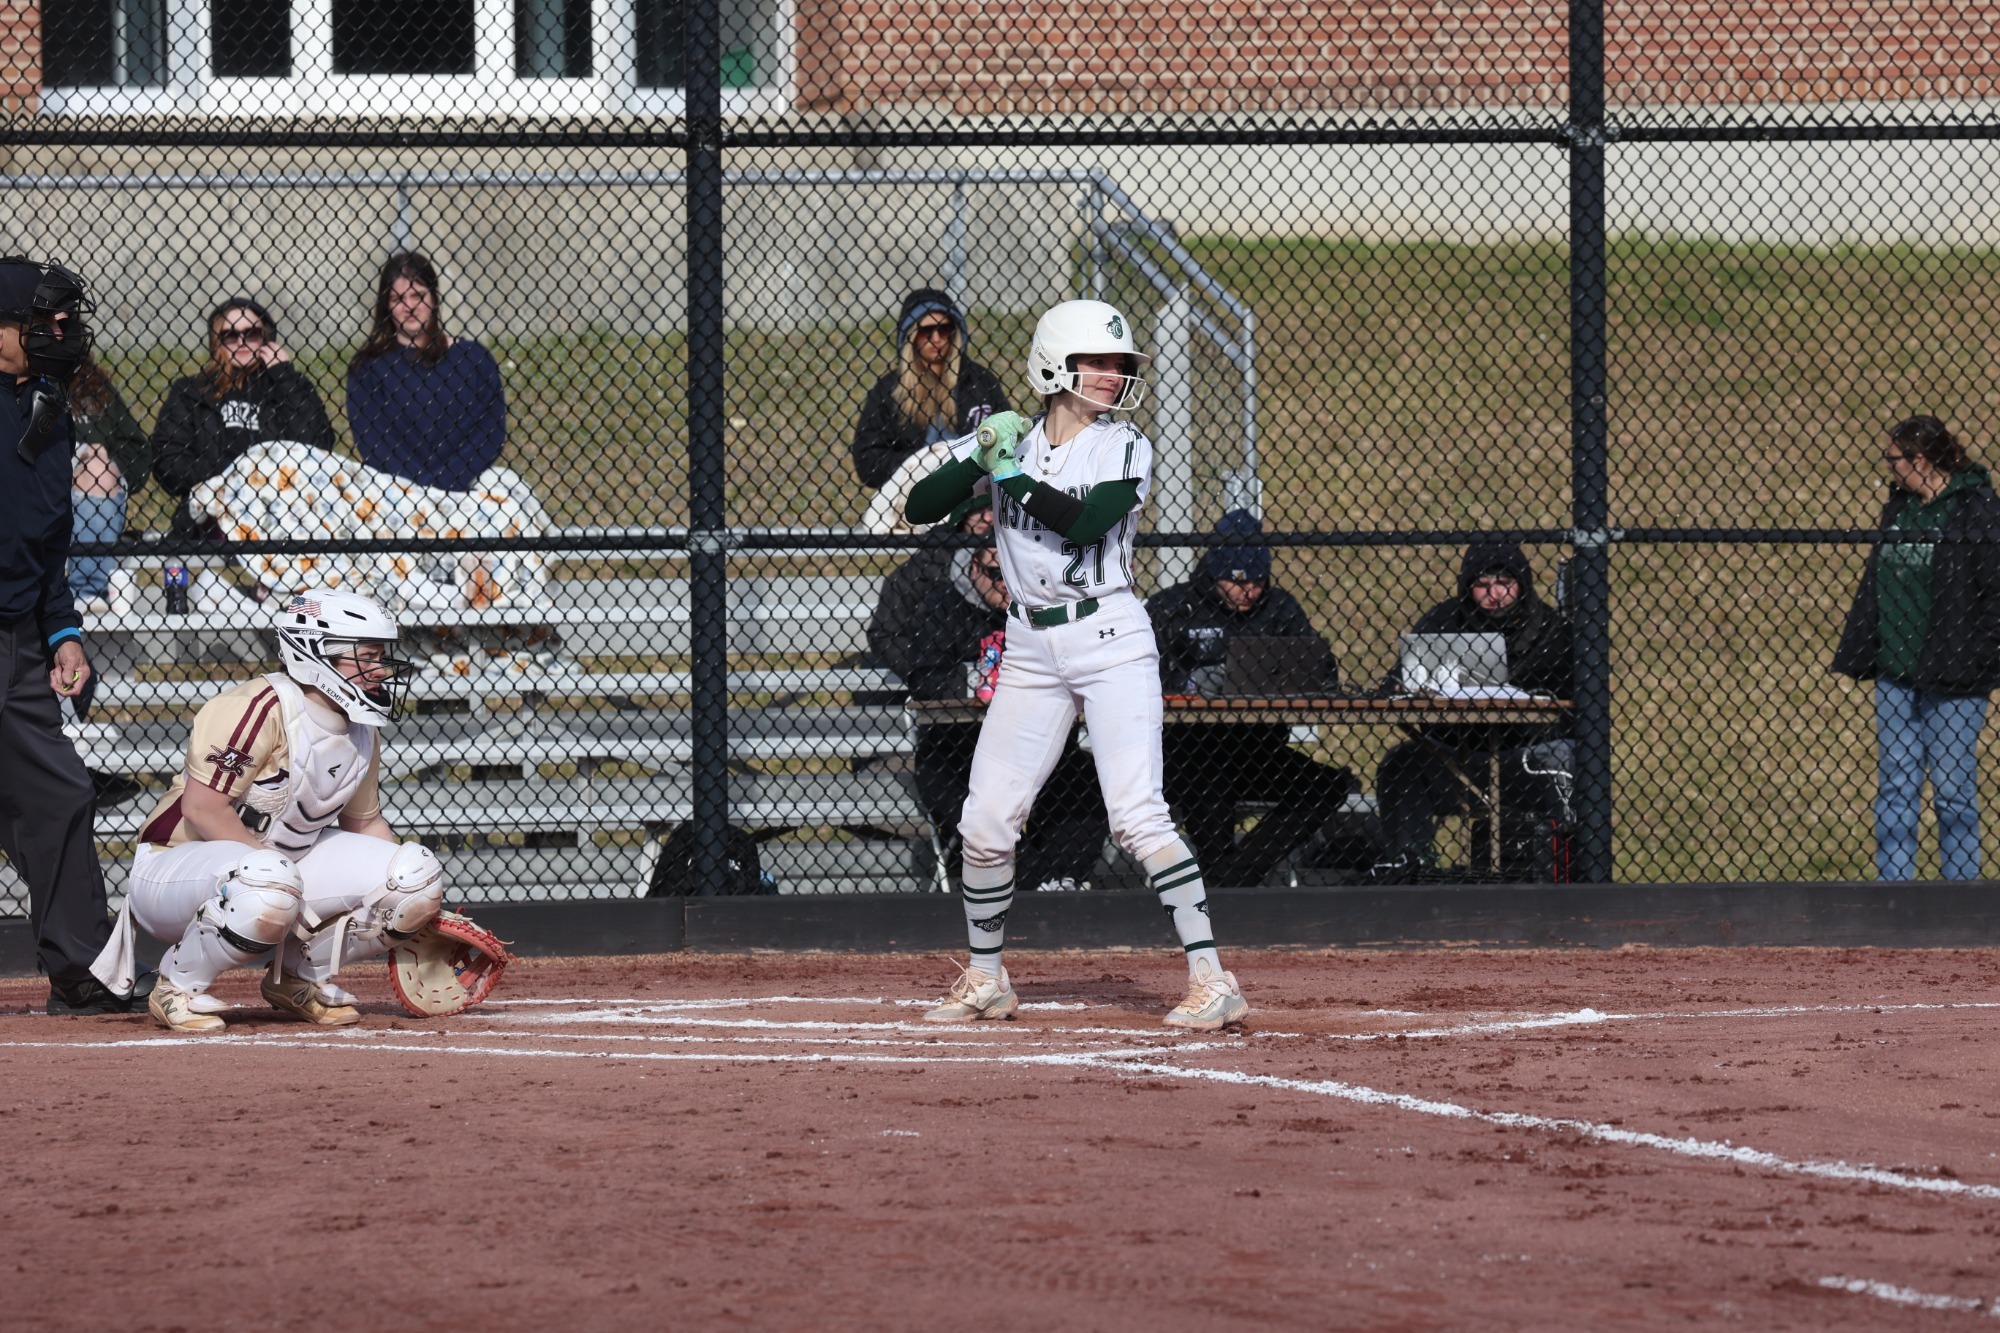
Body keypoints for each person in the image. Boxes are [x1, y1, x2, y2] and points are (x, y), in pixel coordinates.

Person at [902, 298, 1250, 1031]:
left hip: (1108, 636)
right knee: (987, 820)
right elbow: (922, 505)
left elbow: (1087, 521)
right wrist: (975, 453)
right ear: (1055, 365)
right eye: (1098, 362)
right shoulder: (1014, 442)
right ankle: (987, 978)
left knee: (1136, 813)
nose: (1113, 375)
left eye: (1119, 364)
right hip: (1030, 646)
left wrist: (1012, 477)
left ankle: (1211, 977)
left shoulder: (1123, 445)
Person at [90, 589, 439, 1033]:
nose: (380, 669)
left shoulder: (362, 727)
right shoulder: (256, 707)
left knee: (415, 876)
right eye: (366, 656)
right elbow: (202, 809)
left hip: (271, 868)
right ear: (316, 653)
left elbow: (365, 823)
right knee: (270, 880)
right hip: (173, 868)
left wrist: (420, 913)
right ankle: (176, 985)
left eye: (381, 656)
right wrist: (285, 888)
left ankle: (298, 978)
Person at [0, 256, 148, 1014]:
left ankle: (85, 968)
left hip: (19, 641)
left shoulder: (49, 410)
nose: (63, 331)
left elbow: (49, 546)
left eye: (66, 319)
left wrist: (63, 631)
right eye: (45, 320)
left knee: (57, 795)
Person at [1147, 510, 1355, 885]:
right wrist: (1190, 683)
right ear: (1213, 573)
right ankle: (1228, 879)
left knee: (1327, 785)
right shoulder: (1174, 607)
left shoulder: (1280, 608)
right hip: (1188, 752)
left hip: (1258, 751)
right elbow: (1145, 675)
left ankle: (1232, 878)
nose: (1247, 591)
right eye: (1236, 581)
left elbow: (1320, 670)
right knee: (1210, 778)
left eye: (1257, 581)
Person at [1833, 415, 2000, 881]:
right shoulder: (1901, 507)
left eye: (1893, 459)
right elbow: (1877, 581)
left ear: (1919, 460)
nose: (1888, 468)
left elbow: (1995, 593)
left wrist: (1981, 657)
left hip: (1957, 673)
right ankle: (1894, 893)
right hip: (1896, 670)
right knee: (1897, 785)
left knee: (1951, 789)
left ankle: (1962, 897)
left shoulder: (1976, 508)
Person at [905, 532, 1110, 893]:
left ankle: (1058, 880)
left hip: (1042, 745)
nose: (1005, 586)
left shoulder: (1051, 609)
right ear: (973, 568)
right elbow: (923, 676)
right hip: (957, 749)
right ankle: (1016, 882)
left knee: (1086, 782)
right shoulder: (943, 605)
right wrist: (977, 679)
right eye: (996, 574)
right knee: (972, 804)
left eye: (1015, 575)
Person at [1371, 541, 1574, 881]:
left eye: (1504, 584)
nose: (1494, 595)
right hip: (1457, 759)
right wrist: (1398, 685)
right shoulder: (1444, 620)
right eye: (1482, 585)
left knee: (1565, 758)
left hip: (1522, 761)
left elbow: (1569, 703)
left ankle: (1560, 872)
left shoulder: (1552, 631)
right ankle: (1409, 868)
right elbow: (1400, 675)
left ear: (1522, 584)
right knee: (1400, 764)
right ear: (1468, 588)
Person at [151, 297, 336, 543]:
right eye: (230, 335)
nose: (241, 342)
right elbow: (169, 463)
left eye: (252, 334)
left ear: (267, 338)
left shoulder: (290, 387)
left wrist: (284, 379)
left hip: (286, 510)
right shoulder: (192, 391)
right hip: (217, 510)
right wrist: (235, 473)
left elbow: (317, 448)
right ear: (216, 341)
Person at [346, 252, 507, 491]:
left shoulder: (474, 359)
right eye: (398, 298)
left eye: (417, 295)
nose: (409, 306)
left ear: (434, 298)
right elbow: (374, 442)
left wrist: (445, 483)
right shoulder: (368, 369)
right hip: (397, 492)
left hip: (468, 488)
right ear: (386, 306)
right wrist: (418, 490)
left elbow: (490, 433)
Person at [850, 289, 1011, 489]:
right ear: (911, 335)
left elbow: (1009, 438)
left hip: (974, 490)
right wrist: (924, 465)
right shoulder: (890, 390)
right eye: (926, 331)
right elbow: (867, 460)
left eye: (944, 329)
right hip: (913, 492)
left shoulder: (978, 381)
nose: (936, 338)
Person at [864, 493, 993, 684]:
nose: (987, 517)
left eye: (992, 508)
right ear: (961, 512)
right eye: (977, 510)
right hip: (935, 673)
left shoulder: (1016, 557)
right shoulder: (924, 564)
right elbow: (884, 634)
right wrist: (929, 672)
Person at [65, 351, 149, 613]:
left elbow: (138, 450)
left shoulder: (91, 386)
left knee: (98, 465)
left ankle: (87, 593)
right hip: (35, 485)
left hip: (88, 493)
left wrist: (96, 458)